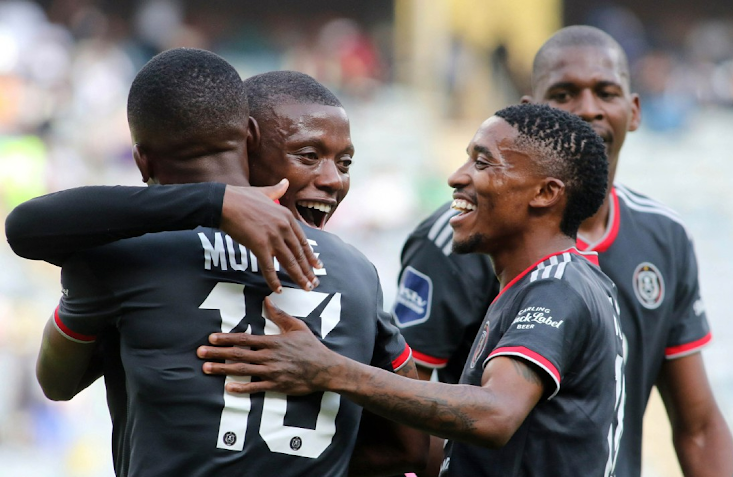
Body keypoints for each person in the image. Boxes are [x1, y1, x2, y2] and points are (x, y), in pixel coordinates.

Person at [10, 49, 426, 476]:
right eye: (309, 155)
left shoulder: (122, 255)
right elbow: (412, 450)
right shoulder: (357, 270)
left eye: (344, 163)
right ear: (249, 138)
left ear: (142, 161)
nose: (333, 179)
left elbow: (56, 383)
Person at [197, 103, 627, 477]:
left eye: (482, 163)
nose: (457, 178)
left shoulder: (556, 285)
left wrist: (330, 370)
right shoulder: (535, 285)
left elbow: (495, 415)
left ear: (546, 193)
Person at [392, 25, 733, 476]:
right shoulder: (458, 236)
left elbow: (699, 426)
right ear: (529, 114)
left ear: (633, 110)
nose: (588, 109)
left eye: (606, 92)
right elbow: (401, 419)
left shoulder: (664, 235)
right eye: (565, 93)